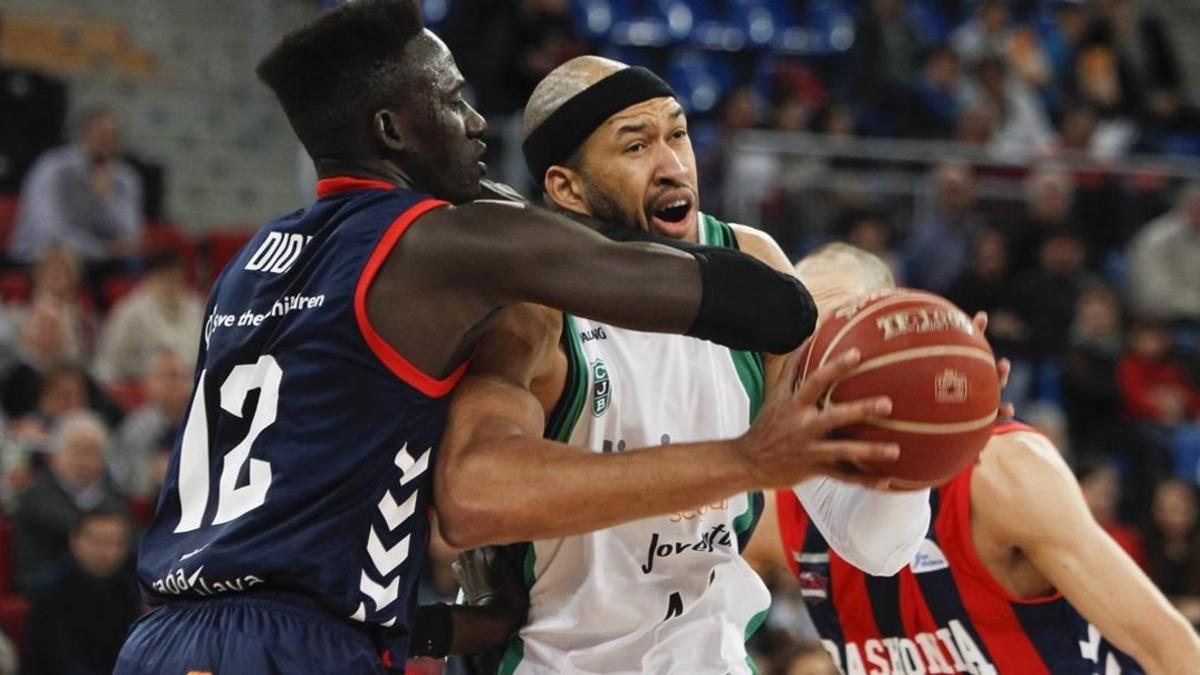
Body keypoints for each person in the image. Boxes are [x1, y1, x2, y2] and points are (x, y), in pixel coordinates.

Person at [116, 2, 845, 673]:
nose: (475, 122)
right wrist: (753, 444)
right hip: (293, 649)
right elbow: (768, 306)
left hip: (165, 636)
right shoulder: (441, 242)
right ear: (391, 131)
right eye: (453, 97)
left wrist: (473, 624)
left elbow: (299, 531)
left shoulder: (252, 260)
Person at [435, 58, 960, 674]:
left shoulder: (752, 265)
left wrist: (920, 438)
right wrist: (734, 463)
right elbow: (472, 497)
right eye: (636, 145)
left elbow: (875, 545)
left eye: (677, 134)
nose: (674, 166)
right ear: (568, 188)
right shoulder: (533, 307)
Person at [744, 248, 1200, 674]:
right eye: (806, 339)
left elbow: (1166, 646)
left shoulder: (1004, 474)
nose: (821, 362)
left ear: (898, 333)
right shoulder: (777, 504)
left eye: (840, 333)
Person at [10, 108, 143, 265]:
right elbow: (50, 232)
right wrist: (100, 250)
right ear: (83, 135)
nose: (106, 141)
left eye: (112, 135)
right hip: (41, 251)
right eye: (100, 134)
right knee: (61, 260)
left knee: (133, 265)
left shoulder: (125, 177)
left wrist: (105, 199)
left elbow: (130, 235)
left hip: (99, 257)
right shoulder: (53, 167)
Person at [13, 411, 126, 590]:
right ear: (55, 456)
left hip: (106, 584)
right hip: (47, 582)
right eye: (76, 451)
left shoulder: (113, 496)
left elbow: (130, 534)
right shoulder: (36, 495)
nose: (84, 461)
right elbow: (74, 526)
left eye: (92, 452)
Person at [25, 507, 141, 675]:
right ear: (75, 540)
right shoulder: (51, 590)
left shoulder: (127, 586)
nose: (107, 551)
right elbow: (60, 660)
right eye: (98, 541)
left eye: (117, 543)